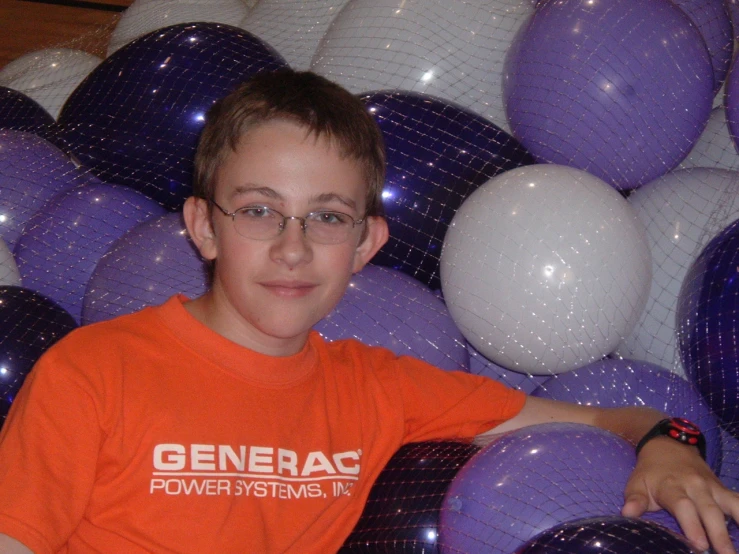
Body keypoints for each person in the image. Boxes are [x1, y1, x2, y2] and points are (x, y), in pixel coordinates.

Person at [0, 69, 736, 554]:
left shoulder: (379, 389)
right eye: (259, 211)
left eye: (326, 218)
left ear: (366, 243)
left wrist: (671, 442)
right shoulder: (94, 372)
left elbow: (623, 423)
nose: (292, 249)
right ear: (201, 225)